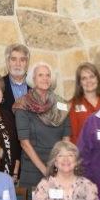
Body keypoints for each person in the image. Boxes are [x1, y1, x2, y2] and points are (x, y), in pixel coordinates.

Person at [15, 62, 71, 190]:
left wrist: (61, 164)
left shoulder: (62, 104)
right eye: (40, 75)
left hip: (58, 166)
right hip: (33, 168)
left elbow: (66, 138)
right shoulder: (22, 105)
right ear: (33, 79)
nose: (45, 78)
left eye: (48, 75)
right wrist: (45, 170)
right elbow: (24, 143)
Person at [68, 62, 100, 143]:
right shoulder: (72, 105)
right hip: (81, 153)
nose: (89, 81)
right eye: (84, 78)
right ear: (80, 83)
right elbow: (72, 136)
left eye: (92, 76)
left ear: (97, 79)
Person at [0, 43, 30, 114]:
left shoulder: (36, 85)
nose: (18, 64)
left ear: (27, 63)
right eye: (13, 59)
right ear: (7, 62)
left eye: (22, 60)